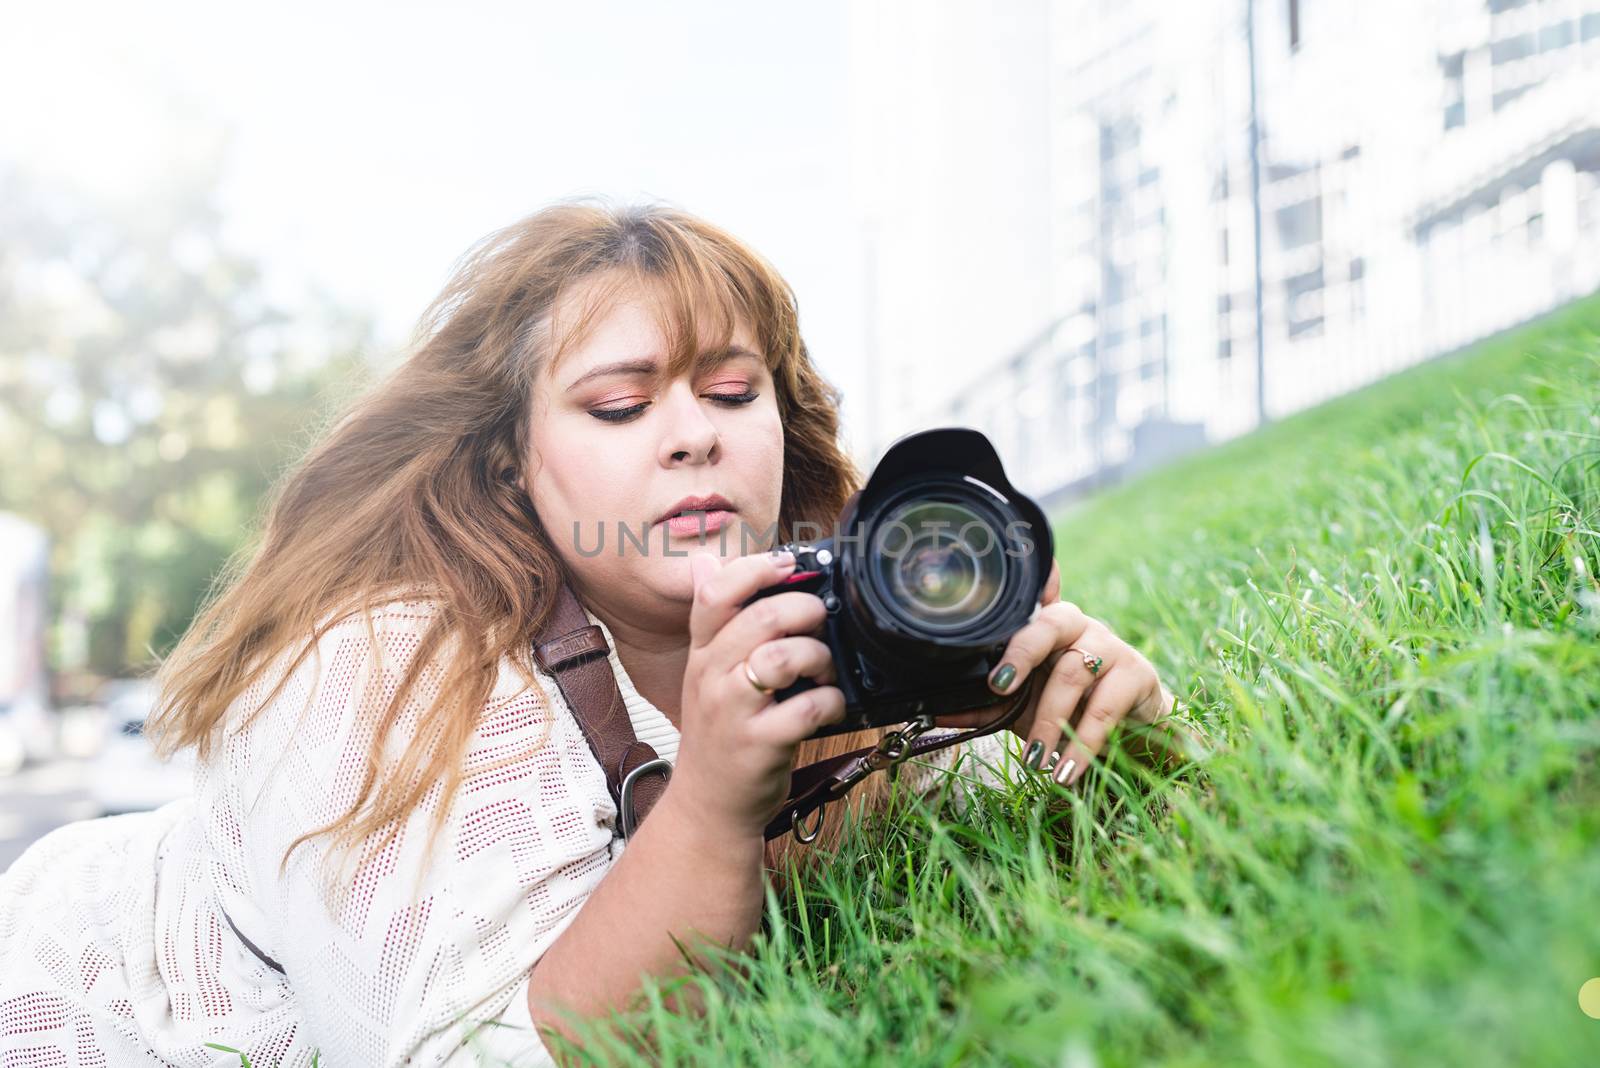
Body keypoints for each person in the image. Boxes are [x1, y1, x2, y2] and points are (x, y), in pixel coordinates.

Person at [0, 200, 1188, 1066]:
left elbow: (1078, 856)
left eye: (732, 393)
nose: (691, 436)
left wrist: (1121, 739)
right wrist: (721, 798)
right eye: (621, 404)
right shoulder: (381, 666)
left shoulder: (850, 615)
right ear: (511, 466)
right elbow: (464, 1052)